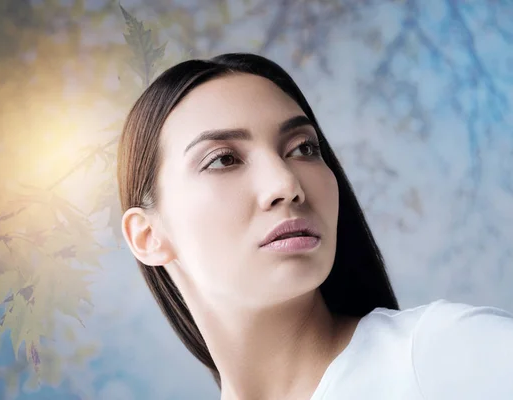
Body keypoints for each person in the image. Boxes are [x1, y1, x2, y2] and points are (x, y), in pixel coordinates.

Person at [116, 53, 513, 400]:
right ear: (147, 237)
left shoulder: (441, 356)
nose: (286, 185)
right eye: (223, 159)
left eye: (303, 148)